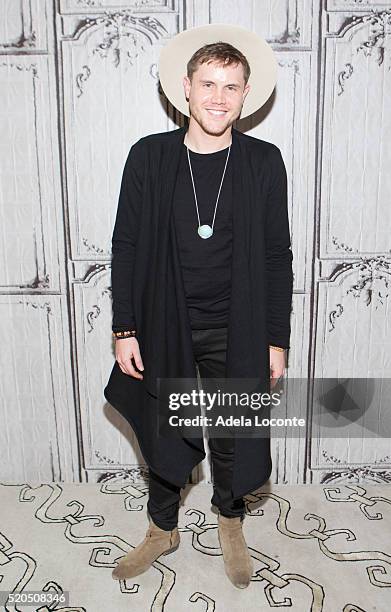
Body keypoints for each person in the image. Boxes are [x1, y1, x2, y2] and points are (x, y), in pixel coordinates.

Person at [104, 24, 293, 589]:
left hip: (237, 327)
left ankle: (230, 521)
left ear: (246, 94)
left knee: (232, 433)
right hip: (165, 326)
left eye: (230, 86)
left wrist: (275, 339)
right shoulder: (149, 157)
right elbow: (127, 244)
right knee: (165, 430)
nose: (218, 97)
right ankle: (162, 529)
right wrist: (124, 327)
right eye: (207, 84)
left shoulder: (263, 162)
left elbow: (276, 254)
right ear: (184, 88)